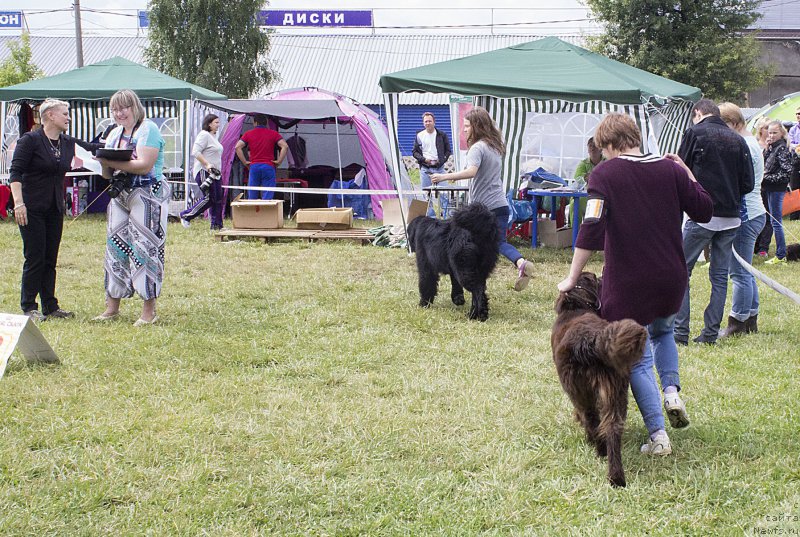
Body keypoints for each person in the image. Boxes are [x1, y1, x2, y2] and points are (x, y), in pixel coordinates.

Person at [558, 113, 713, 456]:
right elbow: (704, 209)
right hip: (671, 277)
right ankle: (671, 390)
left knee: (638, 359)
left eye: (604, 149)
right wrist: (688, 173)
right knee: (663, 334)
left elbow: (592, 227)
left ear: (610, 144)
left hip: (630, 282)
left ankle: (658, 435)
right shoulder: (671, 169)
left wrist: (571, 277)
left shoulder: (604, 174)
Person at [9, 98, 101, 321]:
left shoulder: (67, 142)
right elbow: (16, 173)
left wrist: (125, 145)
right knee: (35, 257)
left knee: (50, 257)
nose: (68, 117)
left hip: (54, 207)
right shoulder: (29, 140)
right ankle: (29, 306)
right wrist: (19, 203)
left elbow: (94, 149)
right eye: (65, 113)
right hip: (31, 207)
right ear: (50, 115)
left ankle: (50, 306)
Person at [674, 99, 754, 345]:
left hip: (702, 215)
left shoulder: (695, 133)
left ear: (697, 113)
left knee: (681, 272)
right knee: (719, 277)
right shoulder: (737, 139)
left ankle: (680, 333)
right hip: (730, 218)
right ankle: (710, 334)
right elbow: (748, 184)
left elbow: (679, 170)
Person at [430, 106, 535, 291]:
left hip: (483, 210)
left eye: (467, 126)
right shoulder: (494, 147)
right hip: (501, 204)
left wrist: (444, 176)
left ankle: (467, 281)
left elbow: (472, 171)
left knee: (465, 244)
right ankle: (520, 263)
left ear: (476, 126)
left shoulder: (477, 147)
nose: (464, 130)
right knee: (498, 242)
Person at [93, 89, 170, 326]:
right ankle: (112, 306)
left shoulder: (149, 129)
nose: (119, 113)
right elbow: (107, 173)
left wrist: (109, 160)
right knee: (115, 247)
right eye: (115, 109)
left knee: (145, 248)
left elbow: (144, 165)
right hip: (120, 195)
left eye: (123, 108)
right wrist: (101, 161)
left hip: (146, 194)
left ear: (134, 107)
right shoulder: (114, 133)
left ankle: (149, 311)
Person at [717, 103, 767, 338]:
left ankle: (737, 321)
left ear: (734, 123)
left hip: (747, 215)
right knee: (746, 271)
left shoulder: (744, 145)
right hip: (755, 213)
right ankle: (751, 318)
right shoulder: (750, 143)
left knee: (739, 273)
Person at [754, 120, 793, 264]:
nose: (771, 135)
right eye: (769, 132)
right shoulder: (772, 147)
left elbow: (786, 172)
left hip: (776, 189)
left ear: (781, 133)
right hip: (769, 187)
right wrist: (767, 148)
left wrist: (767, 178)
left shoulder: (782, 148)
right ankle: (779, 253)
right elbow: (765, 163)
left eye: (774, 132)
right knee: (772, 220)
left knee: (776, 222)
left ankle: (781, 254)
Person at [180, 113, 224, 230]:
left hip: (216, 173)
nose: (218, 125)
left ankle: (217, 225)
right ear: (209, 124)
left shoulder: (213, 137)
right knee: (209, 198)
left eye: (218, 122)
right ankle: (186, 215)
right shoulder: (204, 135)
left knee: (218, 198)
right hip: (204, 171)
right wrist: (207, 164)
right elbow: (195, 151)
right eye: (216, 122)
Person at [235, 113, 288, 200]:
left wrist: (245, 162)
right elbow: (284, 146)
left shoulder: (248, 134)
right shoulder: (273, 133)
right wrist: (279, 161)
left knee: (253, 191)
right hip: (268, 165)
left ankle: (252, 211)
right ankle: (266, 211)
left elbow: (237, 147)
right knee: (267, 192)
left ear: (255, 122)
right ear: (267, 122)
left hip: (254, 166)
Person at [412, 112, 453, 217]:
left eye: (429, 121)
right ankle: (432, 217)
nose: (427, 123)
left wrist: (442, 160)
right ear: (423, 123)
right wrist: (424, 159)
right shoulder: (419, 135)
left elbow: (448, 150)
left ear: (434, 122)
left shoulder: (442, 135)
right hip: (425, 169)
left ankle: (446, 217)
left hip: (440, 169)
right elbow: (414, 152)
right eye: (425, 121)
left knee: (444, 194)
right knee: (427, 195)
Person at [569, 137, 604, 225]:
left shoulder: (607, 162)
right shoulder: (583, 164)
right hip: (586, 196)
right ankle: (574, 233)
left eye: (595, 146)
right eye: (590, 146)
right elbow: (577, 181)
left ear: (601, 149)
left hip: (603, 197)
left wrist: (590, 176)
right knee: (574, 204)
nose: (592, 148)